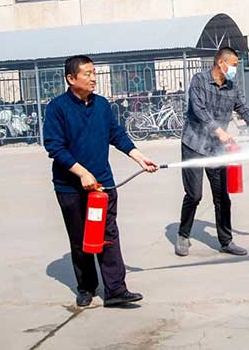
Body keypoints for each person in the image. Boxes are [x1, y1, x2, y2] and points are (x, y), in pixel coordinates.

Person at [43, 55, 158, 308]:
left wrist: (139, 157)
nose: (93, 78)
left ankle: (116, 289)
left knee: (108, 234)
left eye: (94, 73)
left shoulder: (102, 105)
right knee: (80, 237)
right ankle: (86, 287)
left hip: (103, 184)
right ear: (71, 79)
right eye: (87, 74)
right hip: (70, 187)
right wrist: (81, 173)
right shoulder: (57, 108)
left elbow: (116, 133)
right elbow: (54, 146)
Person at [175, 46, 249, 257]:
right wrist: (219, 131)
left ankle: (226, 241)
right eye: (233, 65)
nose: (235, 69)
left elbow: (243, 108)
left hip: (216, 149)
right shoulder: (199, 80)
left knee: (222, 197)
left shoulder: (232, 86)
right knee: (194, 195)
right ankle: (183, 234)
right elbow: (199, 110)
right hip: (194, 144)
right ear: (221, 63)